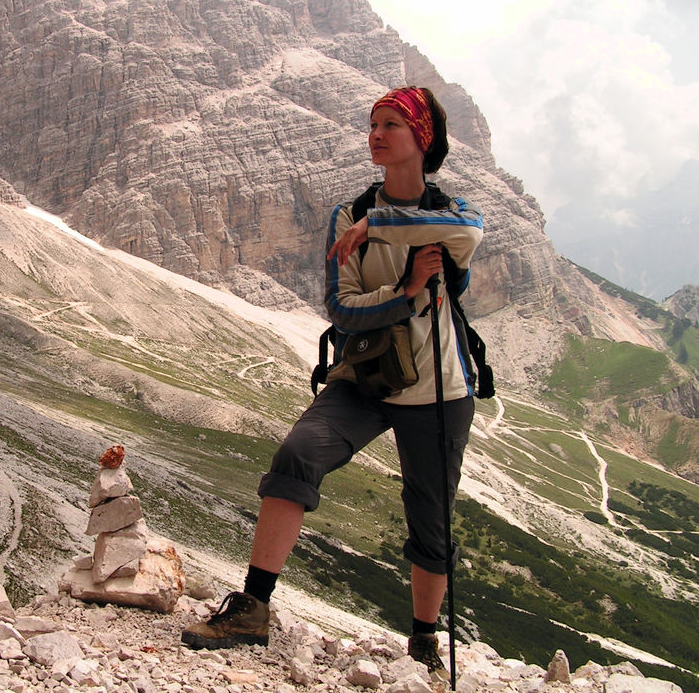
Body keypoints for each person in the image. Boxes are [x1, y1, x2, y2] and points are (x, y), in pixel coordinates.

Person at [180, 87, 484, 675]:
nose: (375, 133)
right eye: (373, 123)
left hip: (440, 389)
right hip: (367, 377)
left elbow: (468, 233)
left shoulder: (448, 214)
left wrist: (381, 224)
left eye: (391, 124)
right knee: (296, 456)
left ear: (421, 139)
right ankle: (252, 608)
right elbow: (342, 312)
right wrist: (406, 292)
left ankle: (423, 640)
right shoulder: (345, 217)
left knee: (432, 513)